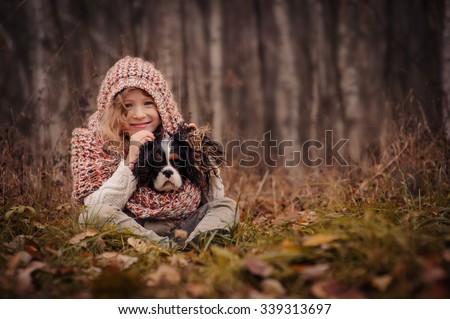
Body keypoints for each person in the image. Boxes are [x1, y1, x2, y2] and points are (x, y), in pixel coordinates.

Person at [71, 56, 238, 248]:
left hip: (187, 225)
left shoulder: (178, 138)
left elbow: (213, 200)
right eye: (127, 105)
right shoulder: (92, 142)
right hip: (137, 227)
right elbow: (94, 206)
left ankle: (194, 242)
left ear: (162, 106)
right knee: (92, 215)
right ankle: (169, 248)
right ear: (111, 110)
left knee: (226, 206)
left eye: (148, 103)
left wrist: (204, 161)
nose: (139, 114)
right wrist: (129, 161)